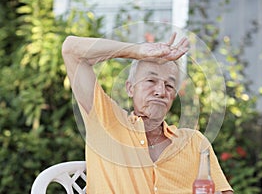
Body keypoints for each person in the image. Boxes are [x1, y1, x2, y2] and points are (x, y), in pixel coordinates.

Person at [62, 32, 233, 194]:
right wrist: (137, 50)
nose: (160, 91)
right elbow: (71, 49)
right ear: (130, 88)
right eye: (151, 80)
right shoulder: (106, 120)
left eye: (169, 85)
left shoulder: (194, 142)